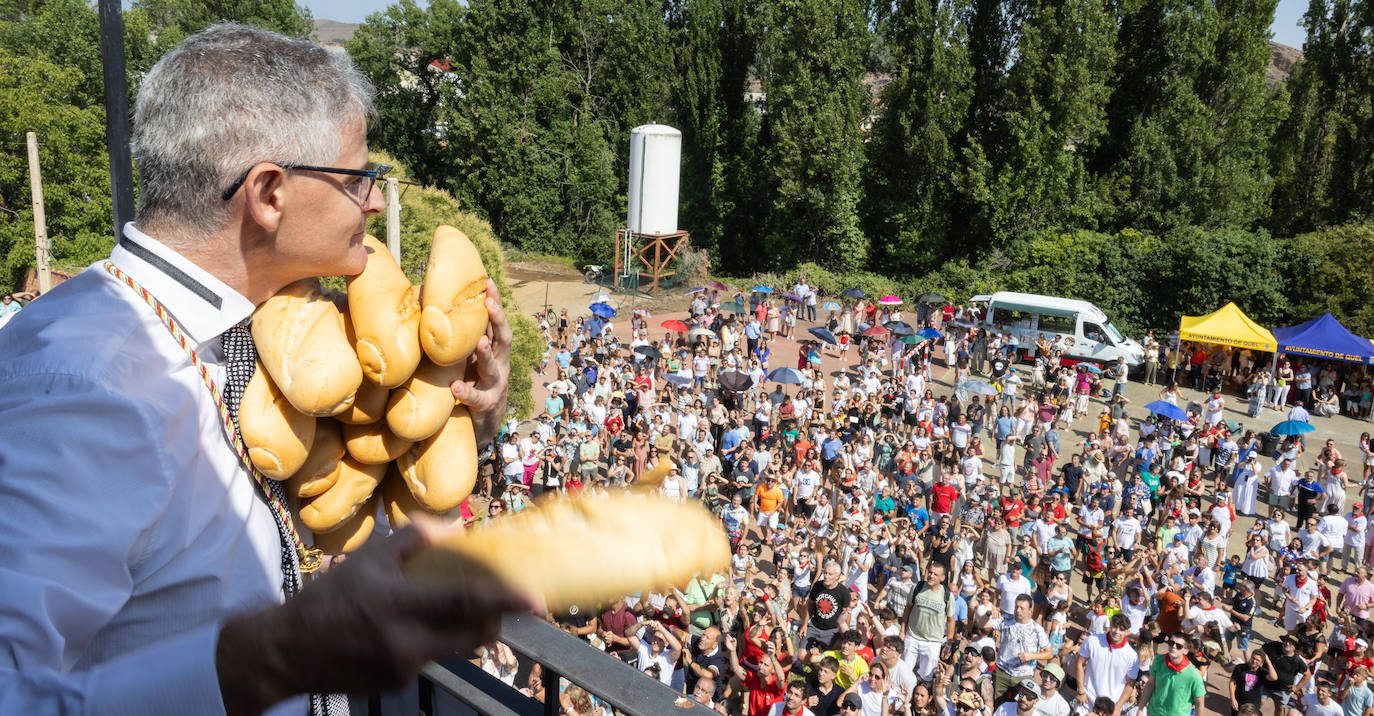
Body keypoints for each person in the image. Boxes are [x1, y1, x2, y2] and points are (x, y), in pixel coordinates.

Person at [0, 24, 530, 715]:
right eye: (358, 178)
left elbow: (372, 480)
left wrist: (475, 409)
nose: (374, 201)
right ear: (269, 194)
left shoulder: (275, 321)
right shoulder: (84, 388)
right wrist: (282, 652)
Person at [1139, 633, 1206, 716]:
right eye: (1171, 643)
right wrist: (1141, 708)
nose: (1173, 646)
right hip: (1153, 713)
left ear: (1186, 651)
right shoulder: (1158, 661)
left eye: (1179, 646)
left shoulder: (1193, 675)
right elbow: (1150, 684)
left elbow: (1199, 705)